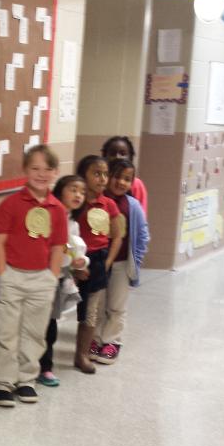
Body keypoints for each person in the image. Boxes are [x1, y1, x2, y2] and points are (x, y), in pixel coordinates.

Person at [0, 145, 68, 407]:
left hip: (42, 279)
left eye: (47, 169)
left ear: (55, 172)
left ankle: (26, 379)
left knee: (34, 332)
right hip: (11, 276)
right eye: (35, 168)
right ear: (25, 170)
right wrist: (2, 273)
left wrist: (52, 277)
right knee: (5, 331)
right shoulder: (10, 205)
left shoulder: (58, 209)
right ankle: (2, 382)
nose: (41, 174)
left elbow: (58, 246)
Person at [71, 155, 124, 375]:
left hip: (98, 261)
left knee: (91, 311)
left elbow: (117, 235)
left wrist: (108, 262)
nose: (102, 179)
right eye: (96, 173)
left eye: (105, 174)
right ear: (83, 176)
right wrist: (74, 265)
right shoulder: (76, 202)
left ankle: (82, 354)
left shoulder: (109, 204)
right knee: (59, 307)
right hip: (73, 261)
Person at [93, 158, 150, 365]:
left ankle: (111, 341)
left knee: (116, 306)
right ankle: (95, 339)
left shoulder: (132, 206)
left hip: (121, 264)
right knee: (97, 305)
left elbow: (143, 235)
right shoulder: (97, 201)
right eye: (116, 176)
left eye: (127, 179)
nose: (121, 182)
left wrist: (136, 261)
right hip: (98, 262)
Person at [38, 176, 91, 386]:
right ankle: (27, 368)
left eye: (82, 192)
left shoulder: (73, 224)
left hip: (58, 279)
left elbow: (74, 251)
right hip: (41, 278)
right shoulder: (48, 217)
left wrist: (80, 263)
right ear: (60, 191)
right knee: (35, 325)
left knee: (50, 326)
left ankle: (45, 367)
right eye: (73, 190)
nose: (78, 195)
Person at [101, 136, 148, 215]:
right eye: (112, 154)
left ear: (130, 157)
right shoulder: (100, 180)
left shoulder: (136, 184)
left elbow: (140, 215)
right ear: (105, 156)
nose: (117, 157)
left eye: (122, 154)